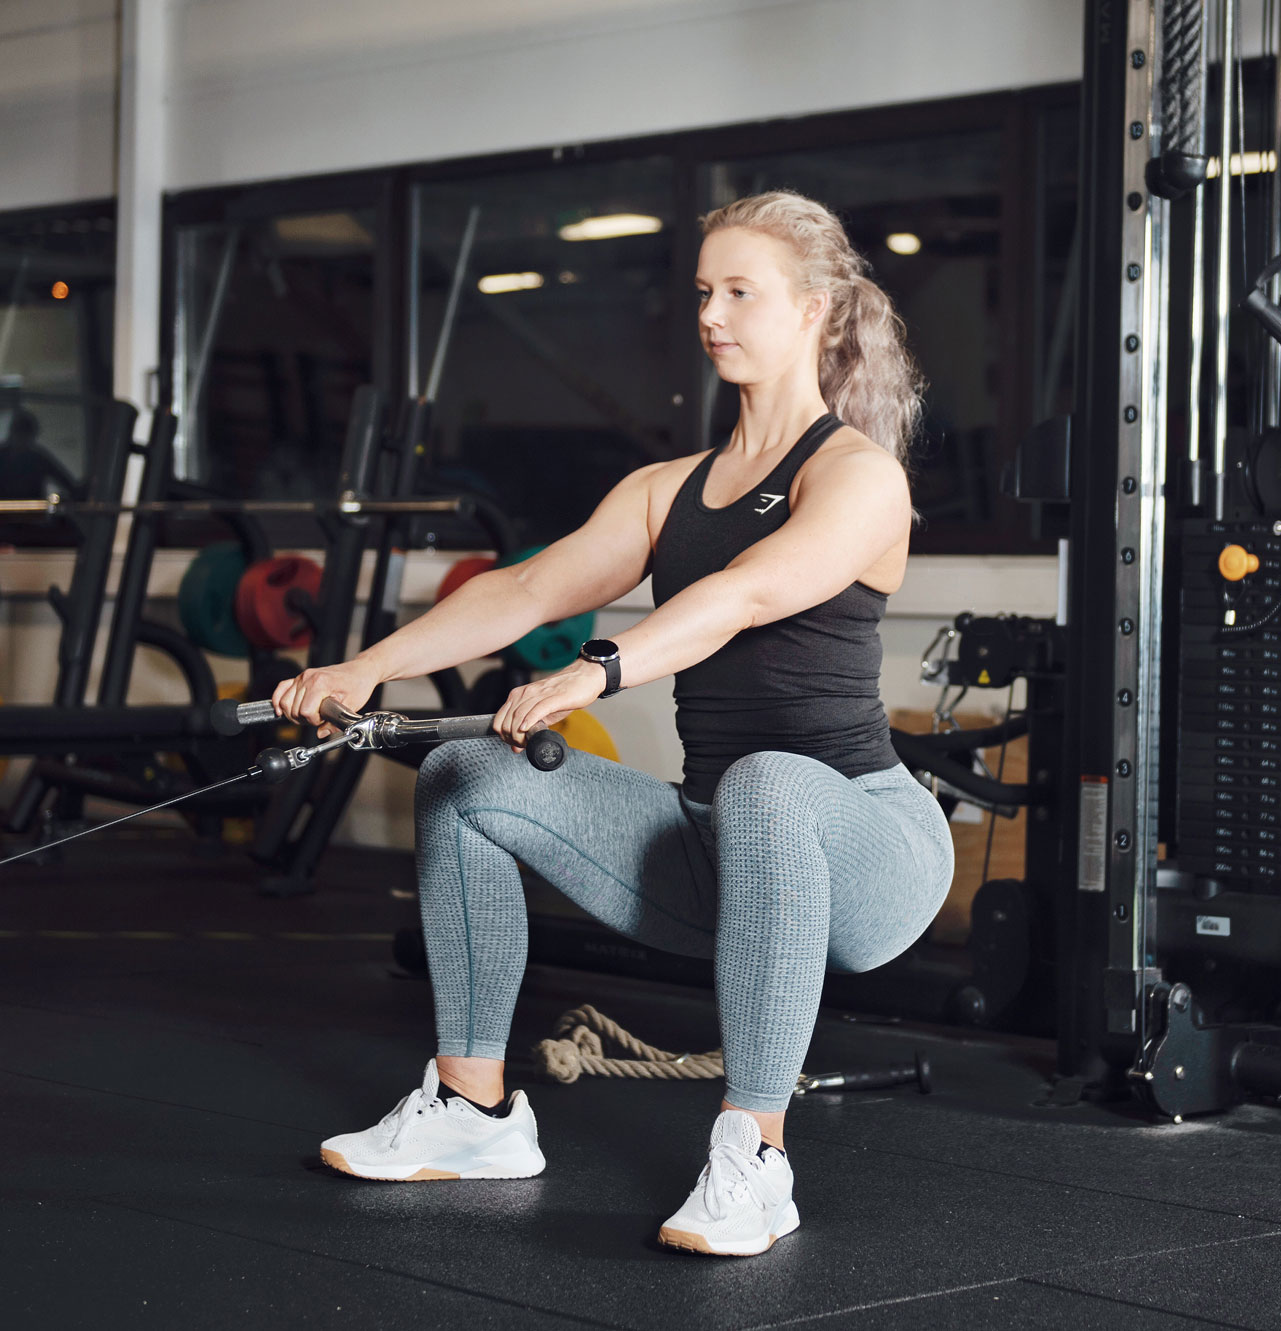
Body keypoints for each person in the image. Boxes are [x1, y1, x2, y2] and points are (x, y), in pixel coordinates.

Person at [272, 191, 955, 1258]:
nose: (711, 314)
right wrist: (367, 666)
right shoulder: (665, 489)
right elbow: (528, 586)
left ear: (818, 309)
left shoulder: (860, 476)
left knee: (767, 779)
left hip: (868, 850)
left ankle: (756, 1155)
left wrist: (600, 668)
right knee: (465, 771)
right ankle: (475, 1111)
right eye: (701, 292)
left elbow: (746, 594)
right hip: (721, 845)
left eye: (740, 291)